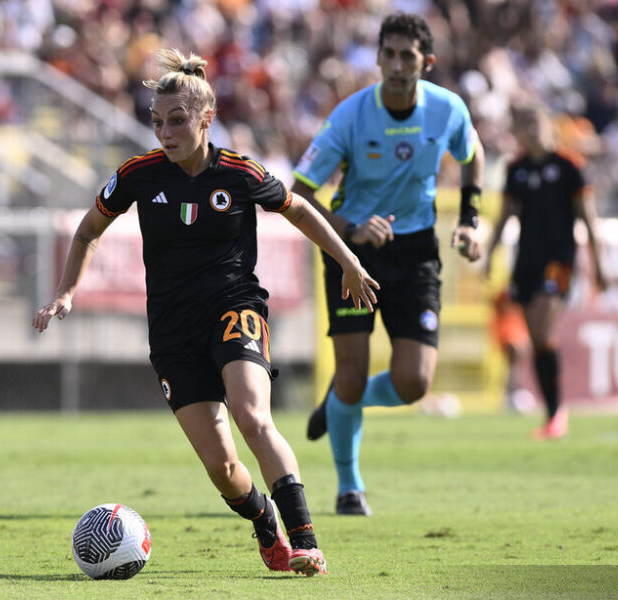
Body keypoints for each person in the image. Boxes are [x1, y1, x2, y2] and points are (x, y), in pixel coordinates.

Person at [33, 48, 380, 576]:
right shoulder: (137, 175)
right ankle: (265, 520)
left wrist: (349, 261)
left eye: (176, 120)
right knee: (222, 468)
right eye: (156, 122)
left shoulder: (240, 173)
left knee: (252, 416)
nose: (164, 132)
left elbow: (301, 210)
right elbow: (87, 231)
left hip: (233, 307)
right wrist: (66, 291)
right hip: (172, 332)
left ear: (205, 119)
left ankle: (305, 538)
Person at [291, 13, 485, 516]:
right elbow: (298, 195)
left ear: (427, 63)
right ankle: (349, 486)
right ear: (378, 58)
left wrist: (470, 219)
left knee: (414, 384)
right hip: (351, 252)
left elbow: (473, 154)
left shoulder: (447, 110)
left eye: (408, 56)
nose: (398, 65)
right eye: (390, 54)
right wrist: (351, 231)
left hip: (417, 250)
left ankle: (339, 403)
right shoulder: (350, 116)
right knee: (353, 377)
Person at [484, 102, 607, 440]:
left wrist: (599, 266)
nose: (532, 129)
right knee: (538, 336)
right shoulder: (516, 169)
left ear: (550, 127)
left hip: (559, 261)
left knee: (540, 326)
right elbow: (506, 215)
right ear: (519, 133)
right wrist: (490, 254)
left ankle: (556, 413)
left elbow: (588, 219)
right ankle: (553, 413)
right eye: (526, 124)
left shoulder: (569, 166)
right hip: (526, 262)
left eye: (536, 121)